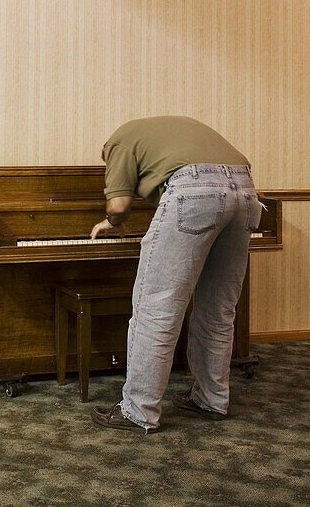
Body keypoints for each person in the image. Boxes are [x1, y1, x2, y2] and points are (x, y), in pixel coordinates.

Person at [88, 116, 262, 434]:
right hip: (246, 192)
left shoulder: (117, 144)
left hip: (194, 191)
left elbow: (119, 205)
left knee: (155, 309)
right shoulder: (165, 133)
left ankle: (139, 410)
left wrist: (112, 221)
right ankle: (212, 400)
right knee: (218, 309)